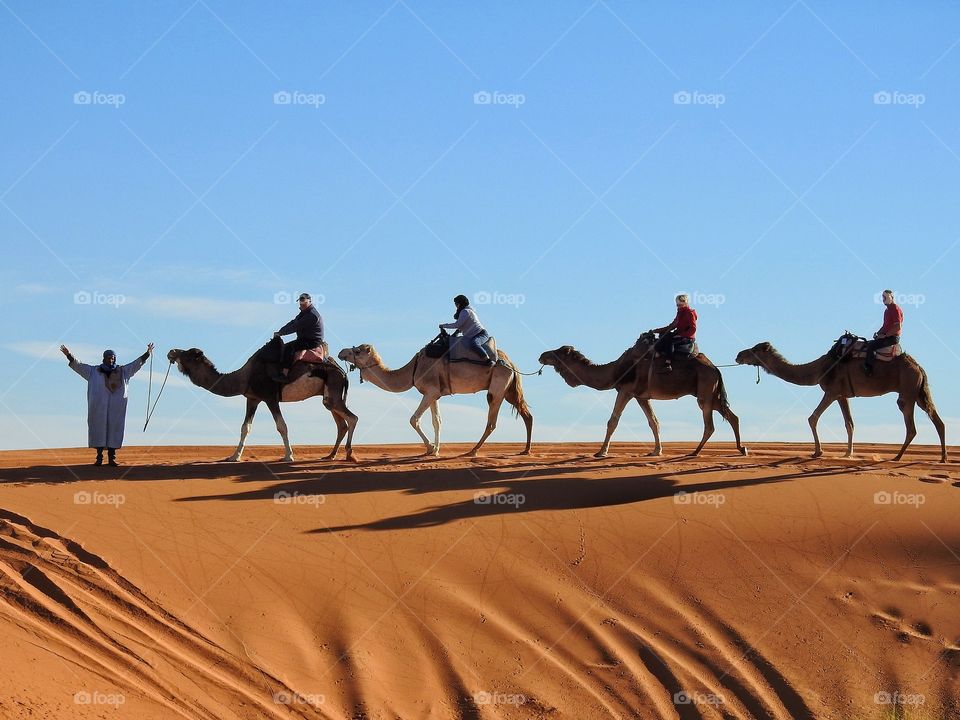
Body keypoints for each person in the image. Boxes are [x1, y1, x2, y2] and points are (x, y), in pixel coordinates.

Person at [60, 343, 153, 466]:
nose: (111, 360)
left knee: (114, 431)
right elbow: (79, 366)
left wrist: (147, 354)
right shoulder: (93, 371)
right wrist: (69, 355)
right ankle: (99, 458)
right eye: (109, 358)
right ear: (104, 358)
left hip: (116, 409)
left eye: (113, 358)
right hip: (98, 408)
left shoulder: (123, 371)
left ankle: (111, 459)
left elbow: (135, 364)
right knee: (99, 430)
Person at [274, 293, 324, 378]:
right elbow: (293, 322)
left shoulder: (311, 315)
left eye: (304, 300)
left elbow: (296, 326)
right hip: (305, 339)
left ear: (309, 301)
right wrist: (280, 331)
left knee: (289, 348)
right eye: (300, 300)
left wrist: (281, 333)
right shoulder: (304, 313)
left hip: (312, 341)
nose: (301, 303)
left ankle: (284, 374)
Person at [439, 294, 496, 364]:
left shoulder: (465, 312)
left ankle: (488, 360)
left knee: (474, 344)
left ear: (460, 303)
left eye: (457, 304)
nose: (456, 306)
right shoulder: (465, 312)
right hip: (471, 336)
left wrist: (443, 326)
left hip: (480, 334)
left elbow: (457, 324)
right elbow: (460, 327)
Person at [650, 294, 697, 373]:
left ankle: (668, 363)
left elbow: (693, 329)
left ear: (686, 303)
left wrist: (682, 335)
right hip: (679, 334)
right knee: (663, 336)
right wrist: (657, 330)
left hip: (687, 337)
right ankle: (658, 354)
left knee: (671, 342)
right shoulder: (680, 313)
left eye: (680, 305)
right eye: (677, 305)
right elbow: (673, 325)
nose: (678, 306)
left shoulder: (690, 313)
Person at [863, 289, 902, 376]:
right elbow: (885, 326)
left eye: (885, 297)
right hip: (887, 336)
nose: (883, 299)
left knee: (872, 346)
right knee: (869, 343)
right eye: (883, 297)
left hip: (892, 338)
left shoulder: (895, 309)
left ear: (891, 297)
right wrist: (878, 333)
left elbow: (897, 326)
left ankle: (869, 369)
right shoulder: (887, 311)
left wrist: (884, 335)